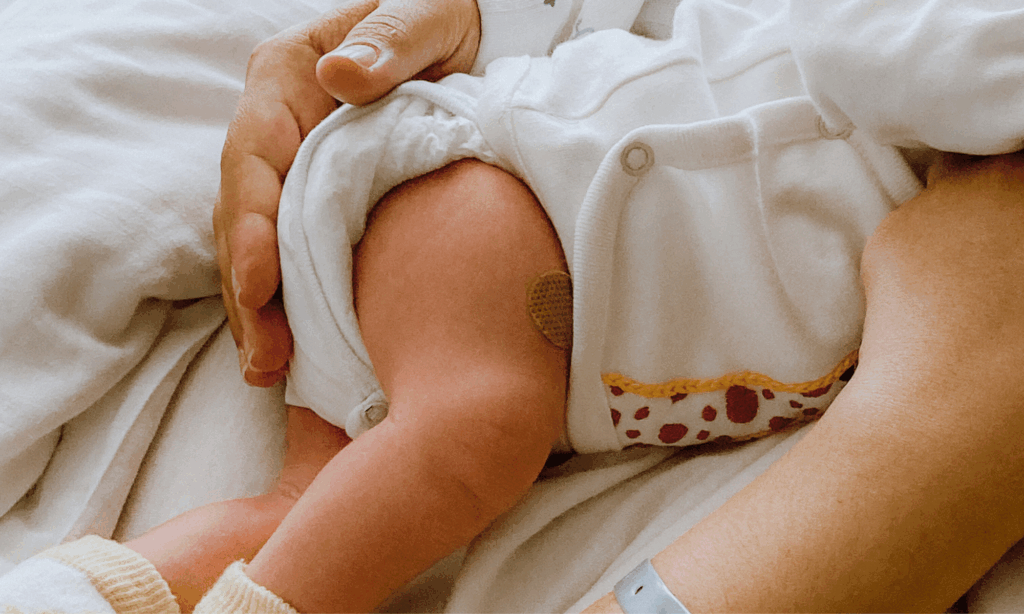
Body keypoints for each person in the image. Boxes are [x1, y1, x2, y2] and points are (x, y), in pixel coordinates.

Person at [5, 1, 1024, 612]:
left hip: (535, 259)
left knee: (305, 506)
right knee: (469, 434)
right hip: (514, 189)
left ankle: (77, 590)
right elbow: (877, 44)